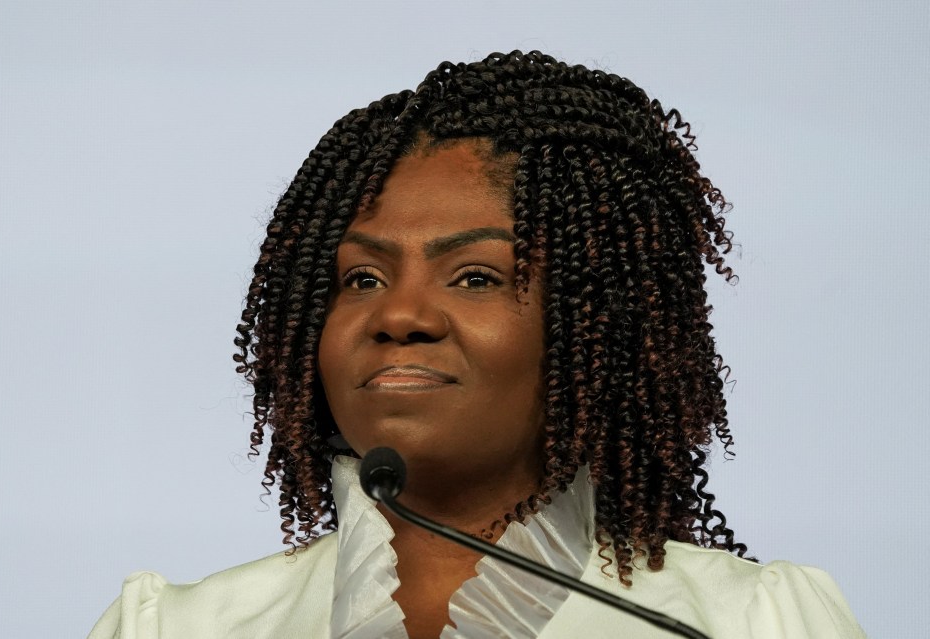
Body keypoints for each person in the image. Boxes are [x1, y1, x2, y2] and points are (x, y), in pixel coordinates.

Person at [90, 50, 865, 638]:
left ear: (599, 322)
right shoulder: (175, 627)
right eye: (360, 278)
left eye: (474, 277)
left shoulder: (745, 624)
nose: (400, 314)